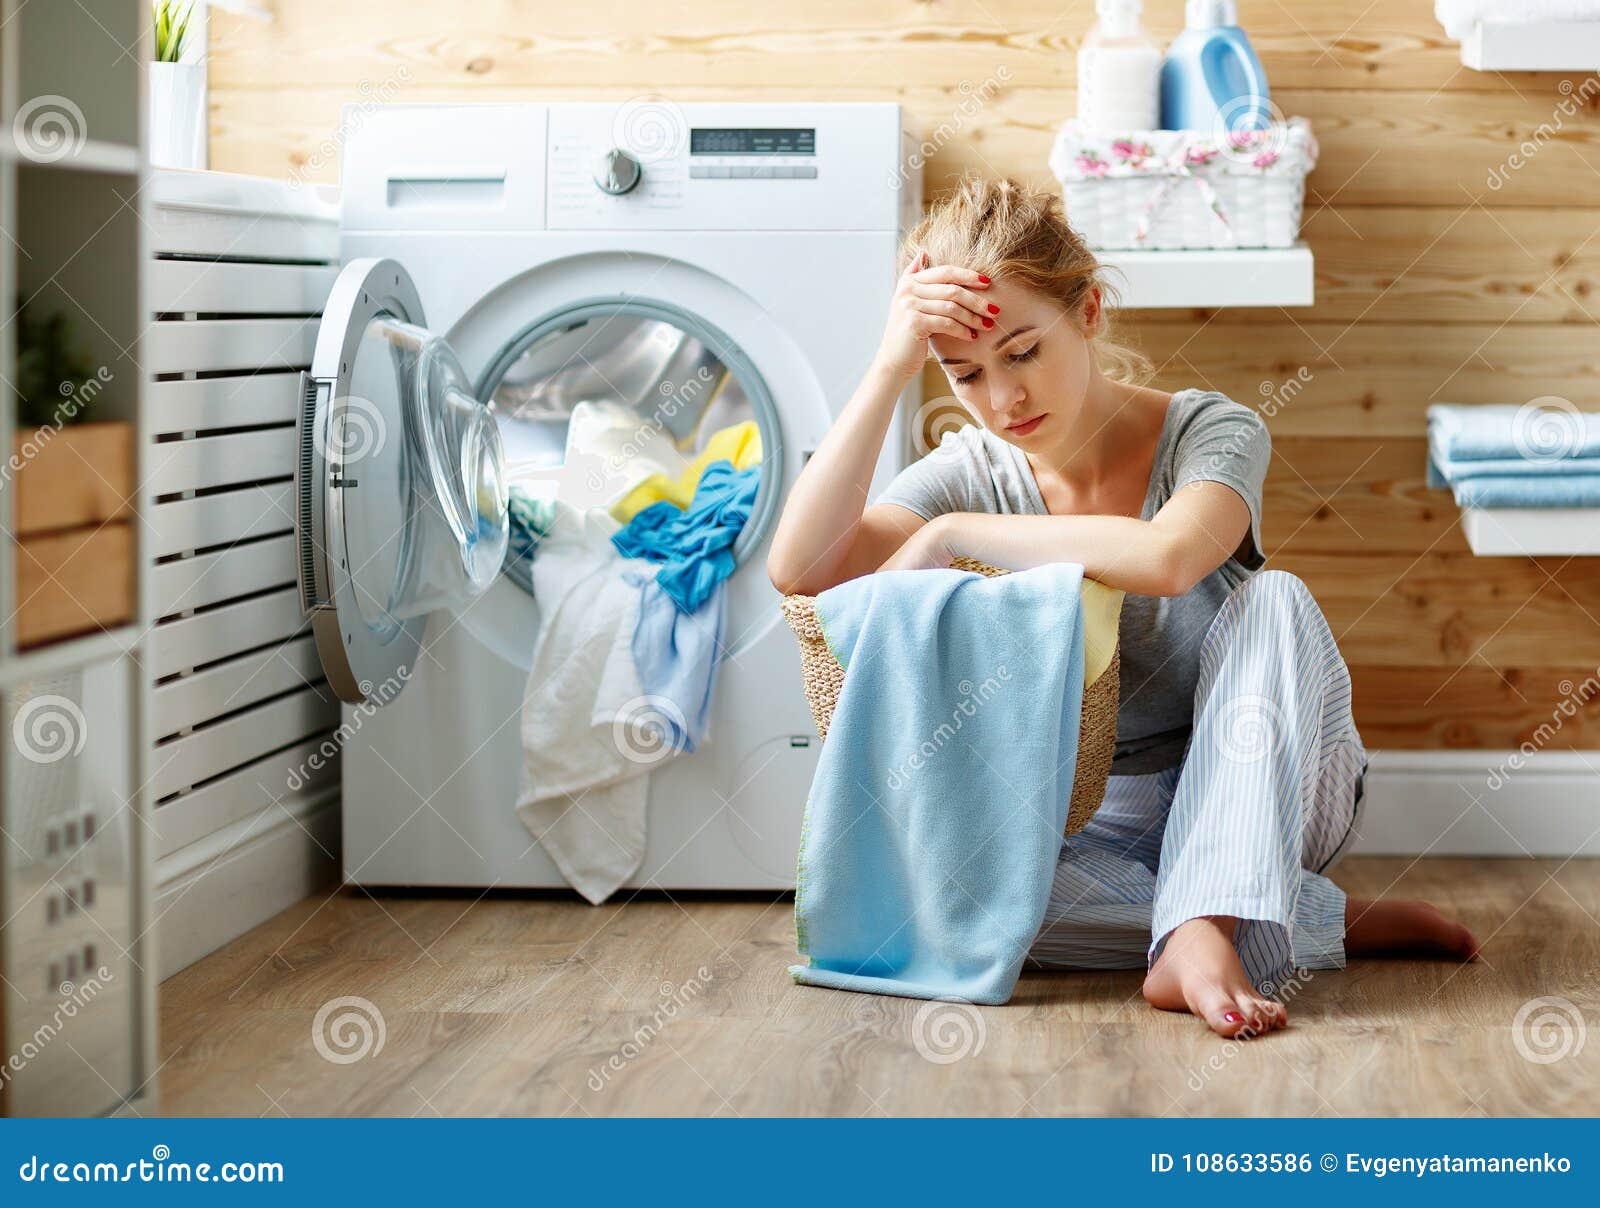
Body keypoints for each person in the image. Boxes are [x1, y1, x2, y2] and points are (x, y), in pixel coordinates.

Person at [766, 176, 1478, 1039]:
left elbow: (1171, 560)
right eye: (965, 374)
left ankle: (1215, 921)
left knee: (1276, 600)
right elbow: (800, 571)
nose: (1003, 401)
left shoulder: (1213, 430)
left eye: (1024, 352)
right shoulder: (974, 468)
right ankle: (1282, 922)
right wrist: (890, 367)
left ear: (1091, 311)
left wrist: (955, 532)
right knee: (952, 903)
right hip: (1093, 818)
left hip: (1268, 778)